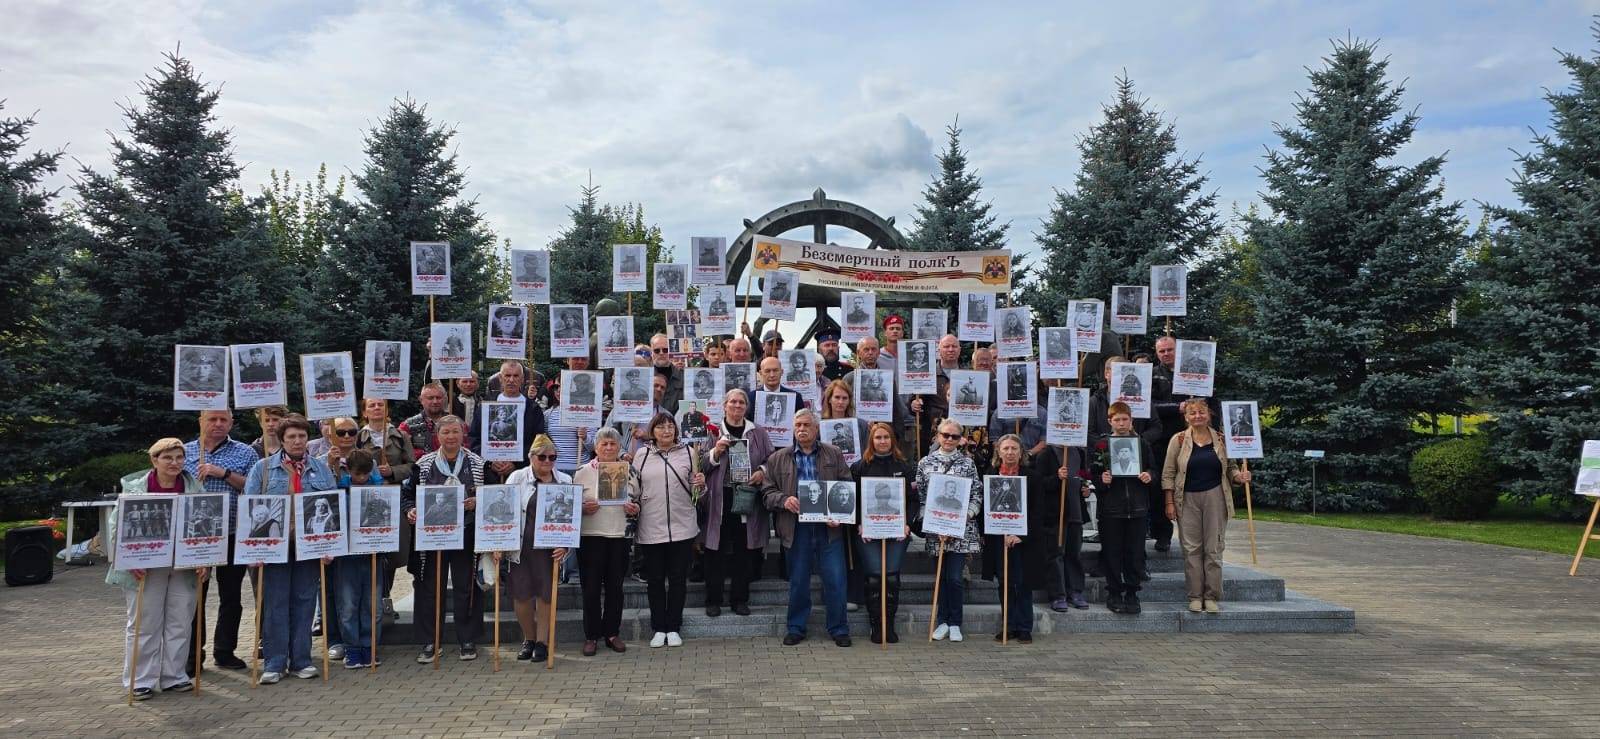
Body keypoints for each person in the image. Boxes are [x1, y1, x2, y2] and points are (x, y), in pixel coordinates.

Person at [242, 414, 338, 684]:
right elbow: (250, 506)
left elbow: (331, 507)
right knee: (275, 603)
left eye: (302, 436)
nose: (297, 441)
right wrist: (255, 551)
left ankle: (301, 660)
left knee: (305, 602)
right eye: (291, 437)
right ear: (282, 440)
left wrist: (329, 546)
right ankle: (274, 662)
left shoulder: (321, 469)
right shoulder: (262, 469)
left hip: (309, 547)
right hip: (275, 546)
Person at [109, 438, 205, 699]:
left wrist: (205, 558)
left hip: (183, 565)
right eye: (168, 458)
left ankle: (174, 676)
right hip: (146, 566)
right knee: (144, 622)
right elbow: (117, 527)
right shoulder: (136, 490)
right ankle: (140, 680)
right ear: (154, 460)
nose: (174, 463)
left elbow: (207, 525)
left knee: (180, 621)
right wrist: (129, 561)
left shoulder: (195, 488)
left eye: (179, 457)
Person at [760, 409, 855, 647]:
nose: (801, 429)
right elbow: (767, 493)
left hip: (828, 529)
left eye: (806, 425)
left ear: (816, 428)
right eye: (798, 425)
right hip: (795, 528)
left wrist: (838, 514)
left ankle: (839, 628)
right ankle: (796, 628)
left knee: (835, 579)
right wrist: (784, 500)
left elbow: (846, 484)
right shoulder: (778, 458)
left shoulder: (833, 453)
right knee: (799, 581)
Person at [403, 414, 493, 662]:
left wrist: (478, 501)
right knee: (430, 589)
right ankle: (430, 641)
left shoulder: (478, 463)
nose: (451, 437)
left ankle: (467, 639)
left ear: (463, 434)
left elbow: (492, 495)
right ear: (437, 436)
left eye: (455, 432)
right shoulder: (423, 465)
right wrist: (410, 510)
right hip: (432, 539)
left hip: (467, 535)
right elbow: (407, 495)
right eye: (446, 432)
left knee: (466, 588)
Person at [181, 410, 256, 673]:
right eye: (212, 419)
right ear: (201, 421)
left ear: (231, 423)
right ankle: (192, 655)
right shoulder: (185, 451)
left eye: (223, 420)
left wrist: (223, 473)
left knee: (231, 596)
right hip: (196, 536)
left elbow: (253, 487)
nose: (218, 424)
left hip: (233, 532)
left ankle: (225, 651)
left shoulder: (245, 452)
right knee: (195, 596)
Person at [1162, 398, 1251, 614]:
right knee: (1191, 549)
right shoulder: (1178, 440)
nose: (1197, 416)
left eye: (1201, 412)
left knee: (1214, 548)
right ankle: (1195, 596)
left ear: (1209, 414)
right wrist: (1169, 502)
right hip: (1187, 499)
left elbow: (1230, 467)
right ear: (1186, 417)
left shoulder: (1221, 439)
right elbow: (1169, 473)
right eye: (1192, 413)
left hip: (1215, 497)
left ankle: (1211, 596)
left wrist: (1239, 476)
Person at [631, 412, 703, 648]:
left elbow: (698, 493)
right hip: (651, 525)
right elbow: (634, 487)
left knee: (678, 579)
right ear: (652, 431)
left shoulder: (689, 453)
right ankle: (658, 627)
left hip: (682, 526)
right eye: (661, 426)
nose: (666, 430)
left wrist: (701, 485)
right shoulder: (641, 454)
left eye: (670, 426)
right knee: (655, 580)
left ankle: (673, 627)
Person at [702, 389, 774, 618]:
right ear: (724, 405)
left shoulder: (757, 432)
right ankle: (713, 600)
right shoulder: (712, 431)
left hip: (746, 496)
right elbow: (699, 464)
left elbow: (771, 459)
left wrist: (762, 471)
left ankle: (739, 599)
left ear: (746, 407)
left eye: (741, 402)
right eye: (732, 401)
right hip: (719, 498)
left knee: (744, 550)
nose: (737, 405)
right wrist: (715, 452)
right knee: (715, 550)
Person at [502, 436, 571, 663]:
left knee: (546, 594)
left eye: (552, 457)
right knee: (521, 595)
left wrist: (565, 544)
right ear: (531, 457)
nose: (547, 461)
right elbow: (506, 510)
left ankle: (542, 642)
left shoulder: (564, 480)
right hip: (521, 547)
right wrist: (499, 543)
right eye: (542, 457)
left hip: (549, 547)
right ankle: (529, 639)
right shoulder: (517, 477)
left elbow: (570, 518)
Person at [574, 428, 640, 655]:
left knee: (615, 588)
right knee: (591, 589)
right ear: (596, 448)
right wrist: (583, 508)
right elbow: (571, 505)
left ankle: (612, 633)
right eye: (604, 444)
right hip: (591, 536)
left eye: (613, 444)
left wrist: (634, 508)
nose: (609, 448)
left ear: (620, 447)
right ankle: (591, 635)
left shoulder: (630, 471)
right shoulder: (581, 472)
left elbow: (639, 500)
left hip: (619, 536)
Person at [984, 434, 1054, 642]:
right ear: (998, 452)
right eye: (1005, 448)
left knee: (1023, 583)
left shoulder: (1032, 477)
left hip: (1024, 540)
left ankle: (1024, 627)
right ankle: (1008, 625)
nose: (1010, 452)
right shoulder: (990, 475)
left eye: (1014, 448)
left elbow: (1038, 511)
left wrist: (1021, 535)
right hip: (998, 538)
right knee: (1004, 582)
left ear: (1021, 452)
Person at [916, 419, 981, 643]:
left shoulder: (967, 464)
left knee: (954, 578)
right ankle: (942, 621)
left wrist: (963, 518)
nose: (949, 439)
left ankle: (955, 622)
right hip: (936, 531)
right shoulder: (925, 463)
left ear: (960, 439)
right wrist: (933, 524)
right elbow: (922, 498)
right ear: (937, 435)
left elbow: (976, 495)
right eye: (945, 435)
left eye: (954, 436)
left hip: (960, 531)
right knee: (941, 577)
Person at [851, 422, 914, 644]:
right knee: (875, 576)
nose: (882, 441)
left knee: (891, 577)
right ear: (871, 441)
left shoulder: (904, 467)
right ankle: (876, 624)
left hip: (897, 530)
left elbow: (913, 500)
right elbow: (853, 499)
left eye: (886, 437)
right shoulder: (859, 467)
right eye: (878, 437)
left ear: (892, 440)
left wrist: (907, 523)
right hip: (868, 531)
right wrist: (859, 523)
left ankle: (889, 624)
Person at [1096, 402, 1155, 614]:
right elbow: (1091, 473)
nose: (1121, 423)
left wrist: (1149, 475)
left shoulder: (1142, 444)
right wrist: (1101, 480)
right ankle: (1114, 592)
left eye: (1125, 419)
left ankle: (1132, 592)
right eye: (1117, 420)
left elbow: (1153, 469)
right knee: (1112, 553)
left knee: (1135, 553)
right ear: (1110, 421)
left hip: (1137, 508)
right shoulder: (1102, 445)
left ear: (1131, 421)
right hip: (1111, 509)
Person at [333, 449, 383, 668]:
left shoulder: (379, 489)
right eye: (357, 474)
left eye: (365, 474)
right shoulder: (340, 488)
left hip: (373, 553)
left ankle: (369, 647)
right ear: (348, 471)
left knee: (373, 605)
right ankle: (352, 648)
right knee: (348, 604)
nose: (361, 478)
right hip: (347, 555)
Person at [400, 383, 449, 462]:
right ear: (421, 400)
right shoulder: (408, 426)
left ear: (444, 399)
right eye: (430, 398)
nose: (435, 401)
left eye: (438, 397)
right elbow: (400, 453)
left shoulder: (456, 423)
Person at [650, 334, 685, 412]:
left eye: (665, 350)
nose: (661, 353)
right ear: (651, 353)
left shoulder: (684, 377)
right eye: (657, 350)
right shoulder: (645, 377)